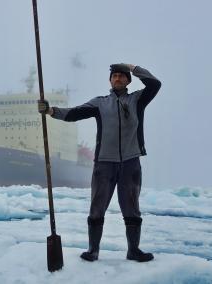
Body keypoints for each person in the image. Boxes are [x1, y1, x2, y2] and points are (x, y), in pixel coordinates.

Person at [38, 63, 161, 262]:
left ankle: (133, 250)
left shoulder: (138, 100)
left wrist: (133, 67)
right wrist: (51, 110)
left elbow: (155, 84)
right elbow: (74, 113)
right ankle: (93, 250)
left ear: (128, 80)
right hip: (104, 163)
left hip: (130, 162)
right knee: (97, 207)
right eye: (115, 76)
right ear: (110, 80)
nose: (118, 78)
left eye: (122, 76)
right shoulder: (100, 103)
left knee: (131, 208)